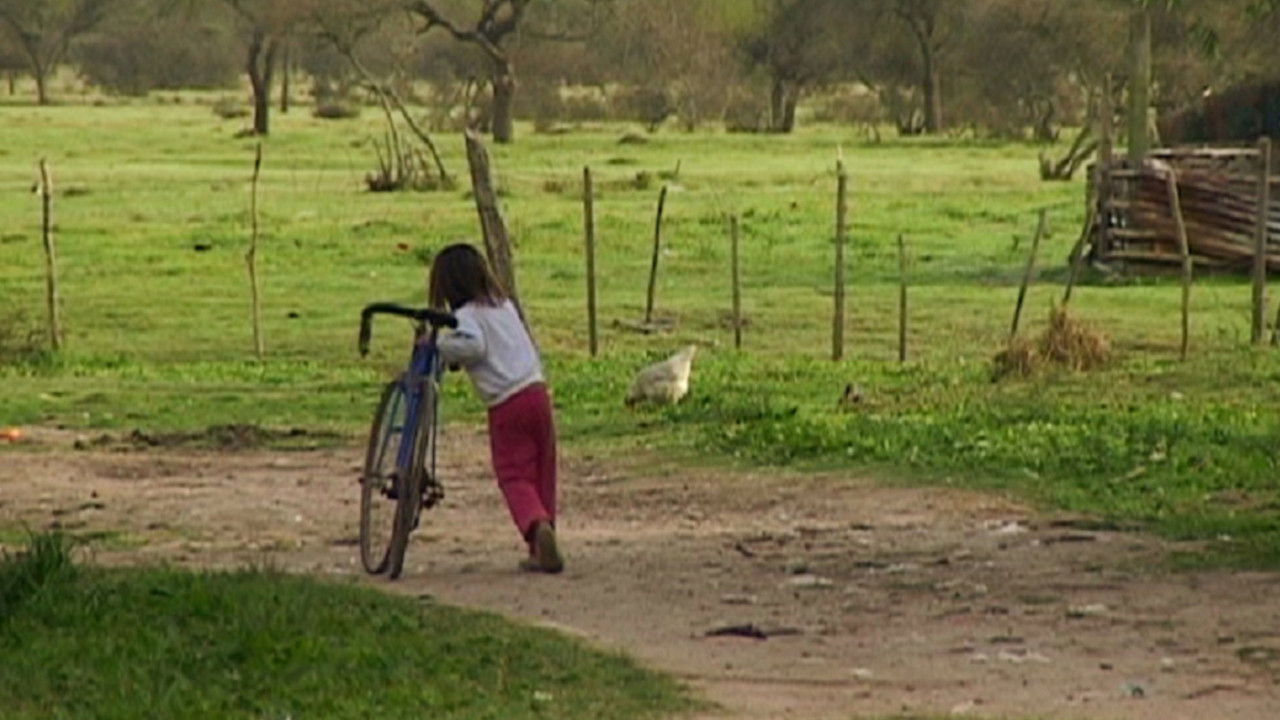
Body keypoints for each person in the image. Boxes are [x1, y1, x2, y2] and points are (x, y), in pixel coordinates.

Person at [428, 243, 563, 574]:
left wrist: (439, 346)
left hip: (507, 404)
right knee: (543, 469)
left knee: (513, 473)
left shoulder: (466, 317)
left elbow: (473, 346)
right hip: (537, 392)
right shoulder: (504, 306)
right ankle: (543, 538)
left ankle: (535, 525)